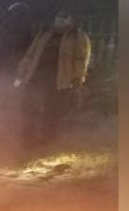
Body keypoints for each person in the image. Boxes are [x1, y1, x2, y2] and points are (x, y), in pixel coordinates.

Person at [13, 8, 91, 148]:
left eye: (64, 17)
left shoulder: (77, 37)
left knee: (53, 110)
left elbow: (81, 59)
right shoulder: (44, 34)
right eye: (58, 17)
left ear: (69, 20)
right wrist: (21, 73)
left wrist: (78, 79)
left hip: (59, 80)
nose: (60, 20)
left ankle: (47, 140)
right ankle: (27, 139)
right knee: (28, 107)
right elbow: (30, 55)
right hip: (36, 77)